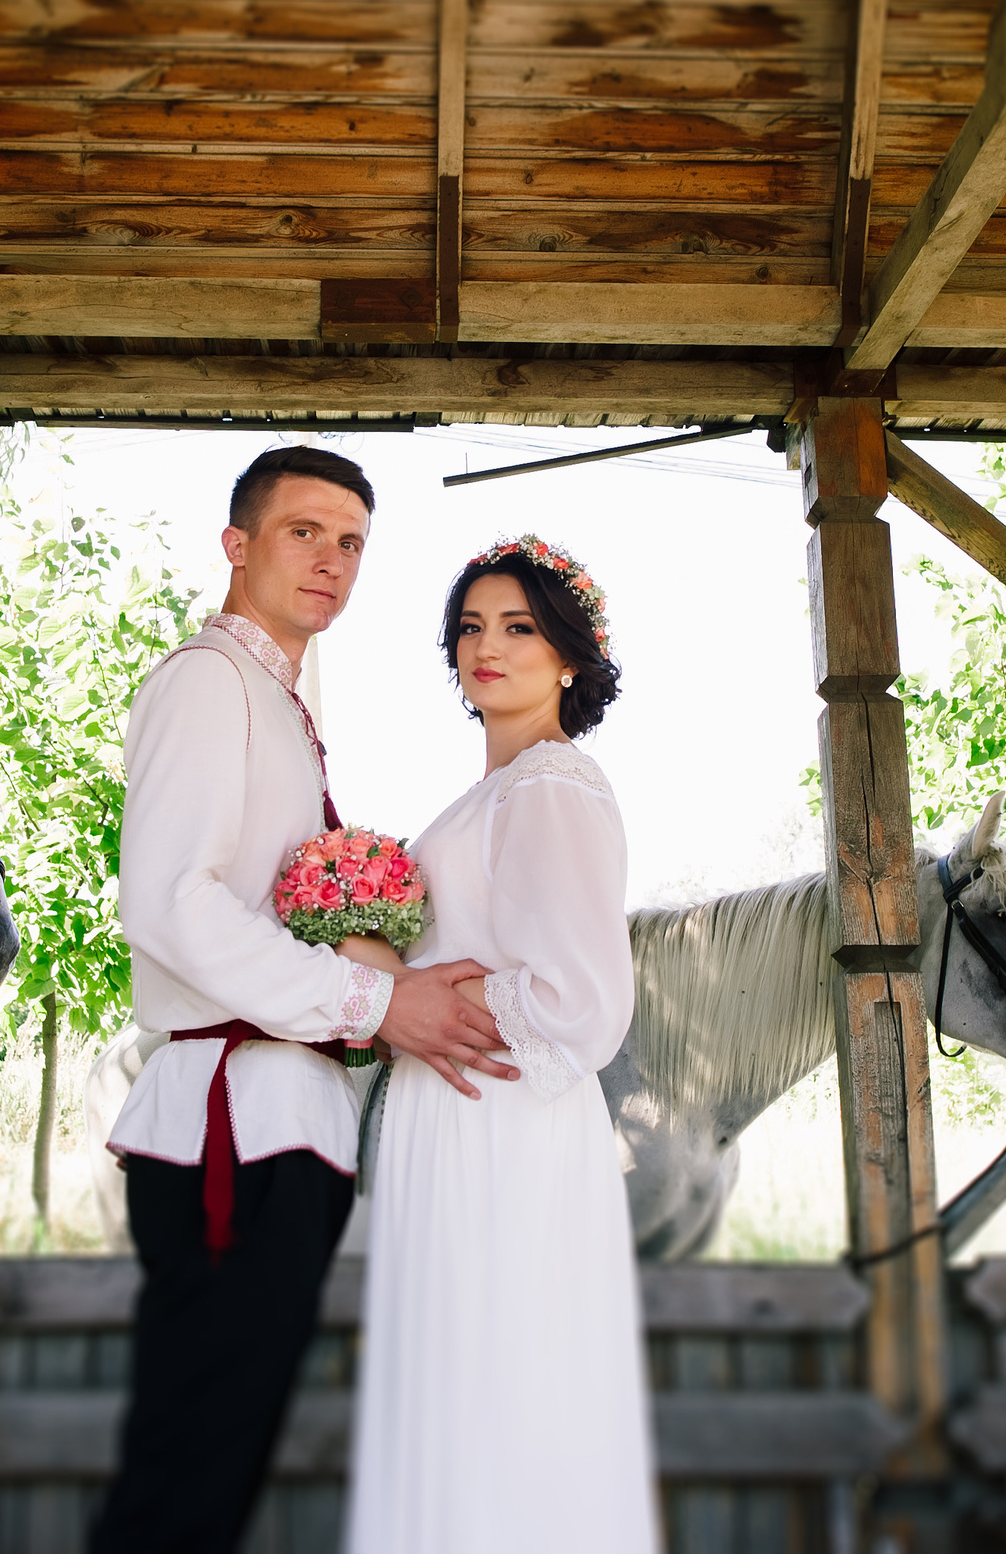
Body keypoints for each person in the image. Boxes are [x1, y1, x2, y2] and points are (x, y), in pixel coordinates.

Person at [93, 447, 513, 1554]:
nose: (332, 561)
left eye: (352, 543)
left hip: (291, 1129)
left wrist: (401, 984)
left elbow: (271, 909)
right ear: (237, 545)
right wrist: (378, 1009)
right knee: (186, 1478)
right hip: (231, 1137)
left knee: (212, 1470)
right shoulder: (205, 680)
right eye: (303, 532)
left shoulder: (282, 699)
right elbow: (168, 903)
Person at [345, 535, 659, 1554]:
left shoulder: (552, 785)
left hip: (504, 1121)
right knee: (455, 1391)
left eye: (519, 627)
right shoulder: (490, 792)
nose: (489, 645)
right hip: (452, 1108)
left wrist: (418, 989)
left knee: (506, 1387)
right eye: (471, 627)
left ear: (568, 655)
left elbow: (580, 1001)